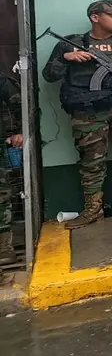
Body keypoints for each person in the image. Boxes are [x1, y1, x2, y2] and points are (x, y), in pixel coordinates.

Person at [41, 0, 112, 228]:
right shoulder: (71, 43)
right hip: (88, 110)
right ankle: (92, 208)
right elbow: (49, 75)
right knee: (91, 160)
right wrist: (66, 58)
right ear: (95, 17)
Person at [0, 71, 21, 265]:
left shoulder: (3, 82)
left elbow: (21, 105)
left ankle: (4, 247)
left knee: (1, 195)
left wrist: (20, 131)